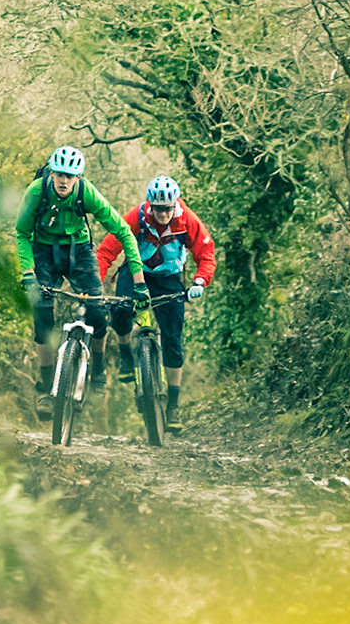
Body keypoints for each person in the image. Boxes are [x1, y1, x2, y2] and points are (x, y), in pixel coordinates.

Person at [17, 146, 148, 398]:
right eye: (59, 174)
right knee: (42, 318)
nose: (64, 181)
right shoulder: (36, 192)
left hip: (79, 251)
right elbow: (22, 233)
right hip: (43, 252)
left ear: (78, 177)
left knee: (97, 314)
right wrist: (28, 272)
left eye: (70, 176)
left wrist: (139, 281)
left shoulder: (86, 193)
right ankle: (46, 384)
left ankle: (98, 371)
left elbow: (124, 232)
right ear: (52, 173)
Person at [97, 175, 216, 432]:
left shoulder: (187, 220)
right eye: (158, 208)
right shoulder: (136, 218)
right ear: (150, 204)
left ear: (175, 204)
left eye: (167, 208)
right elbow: (106, 251)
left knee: (173, 339)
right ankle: (126, 355)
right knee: (120, 310)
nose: (163, 214)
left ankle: (172, 405)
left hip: (169, 277)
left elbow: (206, 253)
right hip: (135, 271)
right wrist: (96, 281)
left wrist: (199, 281)